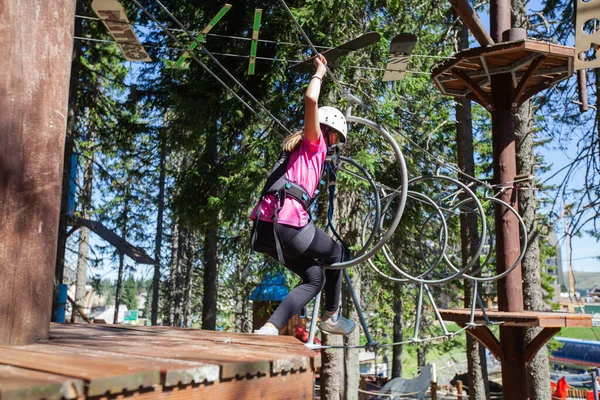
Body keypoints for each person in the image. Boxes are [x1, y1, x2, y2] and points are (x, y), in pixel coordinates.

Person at [250, 54, 356, 336]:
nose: (334, 148)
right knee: (339, 253)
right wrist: (320, 71)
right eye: (336, 141)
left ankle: (271, 327)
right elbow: (311, 100)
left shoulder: (295, 154)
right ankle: (331, 317)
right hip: (287, 225)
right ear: (330, 133)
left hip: (264, 230)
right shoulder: (314, 142)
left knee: (314, 276)